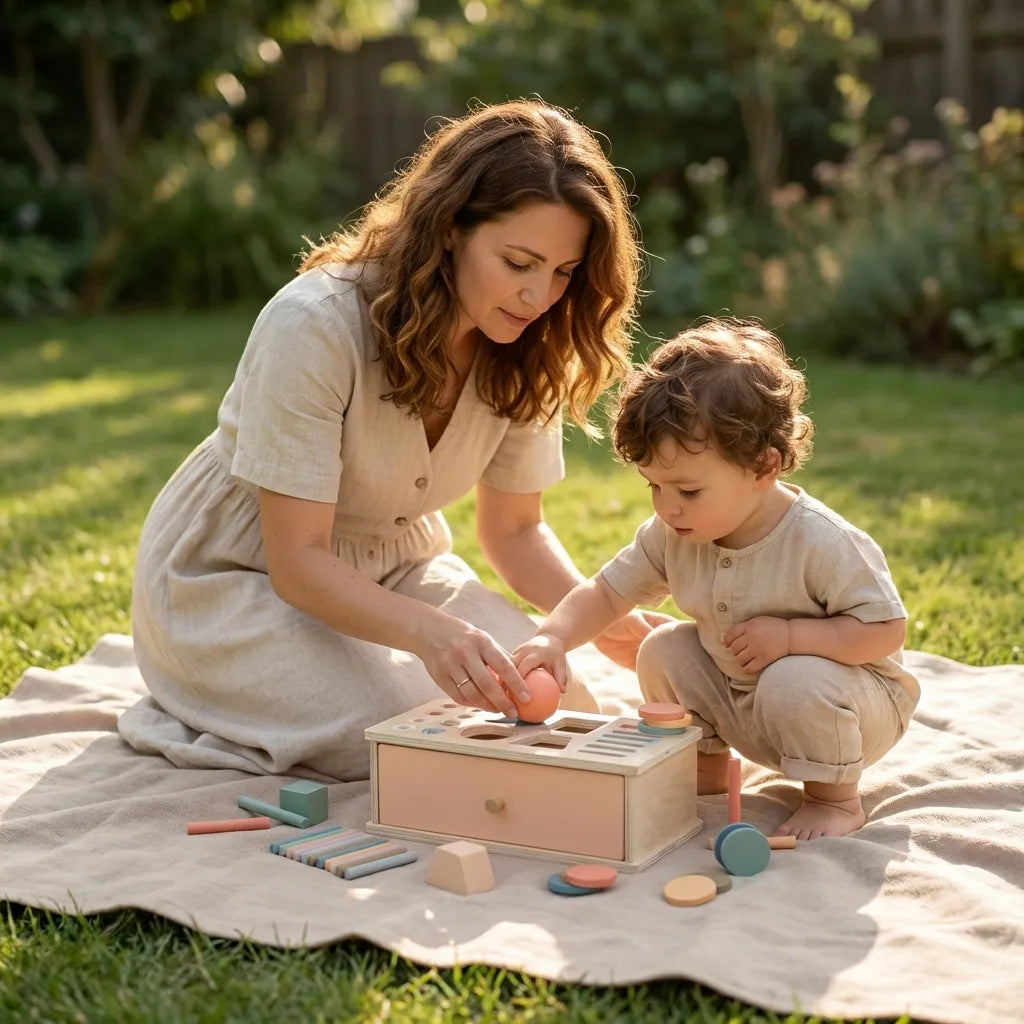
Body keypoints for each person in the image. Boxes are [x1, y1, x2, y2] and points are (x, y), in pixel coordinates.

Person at [118, 99, 671, 781]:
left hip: (395, 566)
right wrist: (428, 633)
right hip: (238, 577)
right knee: (403, 727)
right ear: (448, 230)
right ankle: (204, 689)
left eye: (562, 273)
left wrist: (602, 620)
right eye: (518, 261)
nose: (539, 297)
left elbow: (517, 533)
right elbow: (298, 561)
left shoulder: (530, 344)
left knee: (544, 702)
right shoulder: (313, 326)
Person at [513, 319, 920, 840]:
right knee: (662, 647)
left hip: (850, 709)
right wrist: (554, 636)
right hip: (744, 704)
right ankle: (704, 767)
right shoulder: (673, 533)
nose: (667, 506)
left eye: (688, 490)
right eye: (654, 486)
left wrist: (794, 638)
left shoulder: (821, 542)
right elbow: (606, 592)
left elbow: (885, 630)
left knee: (793, 680)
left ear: (763, 467)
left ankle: (833, 799)